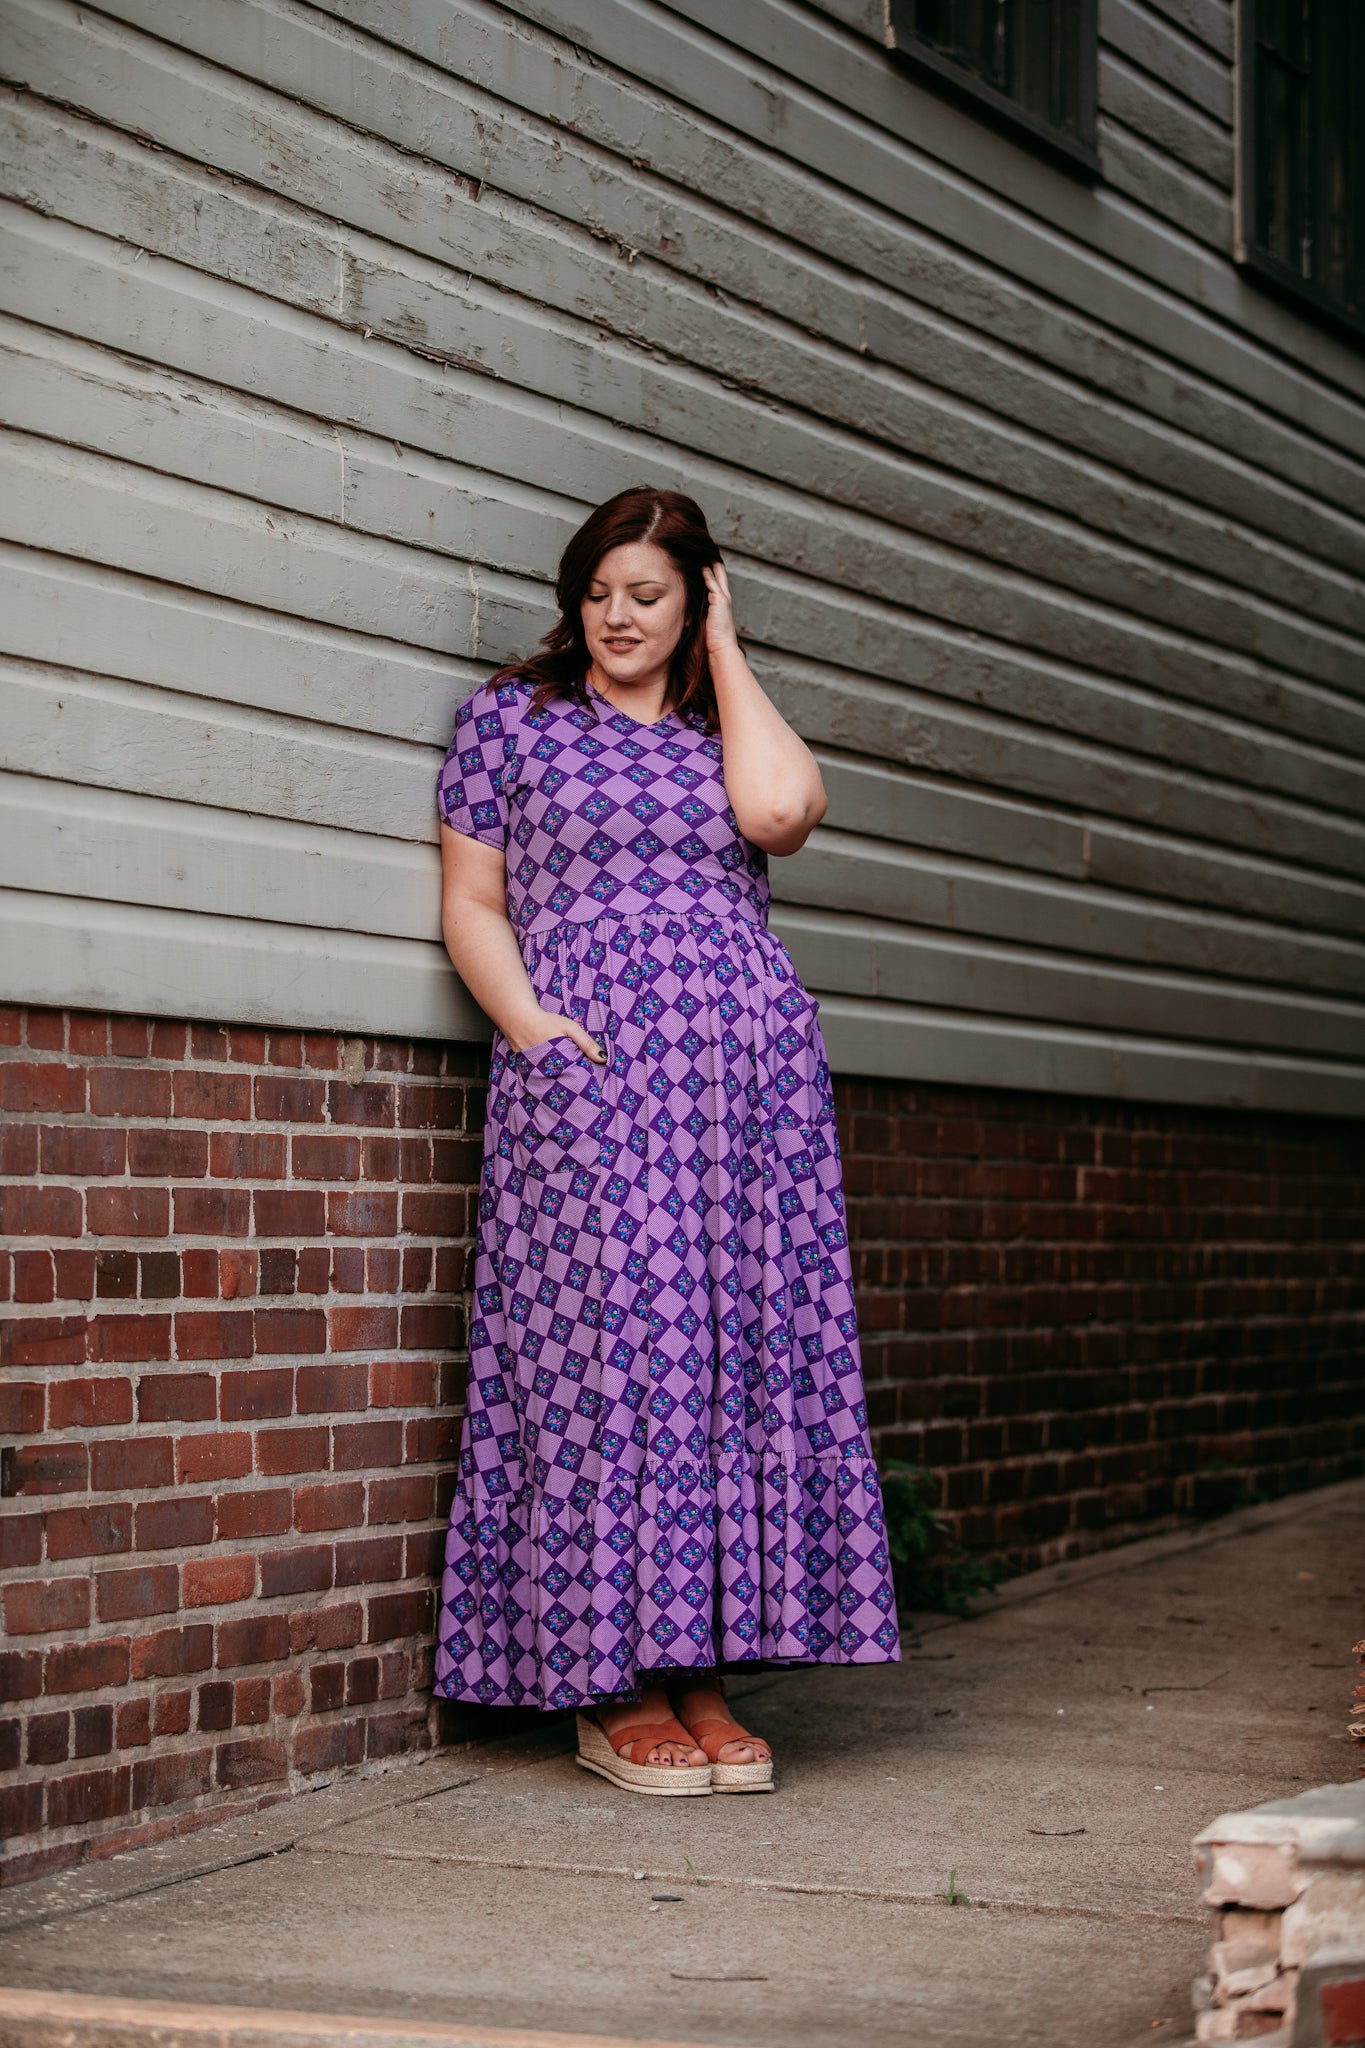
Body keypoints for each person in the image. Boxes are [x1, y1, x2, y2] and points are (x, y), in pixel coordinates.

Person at [431, 486, 899, 1796]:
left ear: (692, 598)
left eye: (646, 594)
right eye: (597, 594)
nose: (616, 618)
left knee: (727, 1359)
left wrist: (728, 651)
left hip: (743, 1085)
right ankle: (611, 1680)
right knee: (608, 1355)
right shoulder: (512, 721)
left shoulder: (717, 726)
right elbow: (472, 900)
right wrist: (532, 1032)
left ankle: (701, 1670)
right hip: (588, 1066)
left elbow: (779, 815)